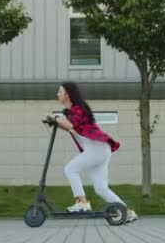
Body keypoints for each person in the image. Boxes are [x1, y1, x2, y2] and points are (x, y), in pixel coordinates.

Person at [46, 81, 138, 223]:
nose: (57, 94)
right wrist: (55, 122)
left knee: (70, 169)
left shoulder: (78, 109)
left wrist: (56, 118)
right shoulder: (72, 111)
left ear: (68, 94)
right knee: (101, 188)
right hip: (100, 149)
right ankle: (127, 212)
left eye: (60, 91)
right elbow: (71, 127)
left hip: (97, 148)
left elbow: (70, 125)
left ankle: (82, 202)